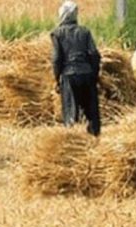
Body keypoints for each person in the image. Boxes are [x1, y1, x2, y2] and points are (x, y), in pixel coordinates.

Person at [51, 1, 102, 136]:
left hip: (69, 76)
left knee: (70, 112)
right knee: (92, 112)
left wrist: (56, 79)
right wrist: (95, 75)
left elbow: (56, 59)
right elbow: (94, 54)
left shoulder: (57, 34)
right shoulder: (85, 32)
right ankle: (94, 140)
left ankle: (72, 141)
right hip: (87, 74)